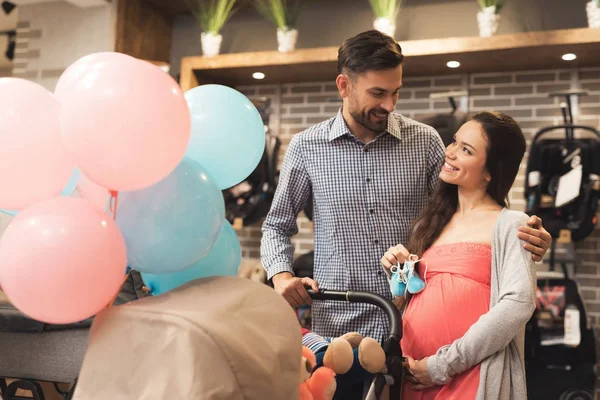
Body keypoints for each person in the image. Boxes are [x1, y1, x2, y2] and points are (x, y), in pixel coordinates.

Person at [260, 29, 550, 343]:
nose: (389, 104)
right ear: (344, 86)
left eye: (395, 92)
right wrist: (282, 276)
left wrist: (512, 235)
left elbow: (467, 203)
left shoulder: (424, 141)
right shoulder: (306, 147)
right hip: (336, 321)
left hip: (414, 318)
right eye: (377, 93)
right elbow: (276, 225)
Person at [381, 111, 536, 399]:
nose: (449, 152)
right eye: (454, 142)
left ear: (491, 170)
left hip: (467, 378)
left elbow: (518, 304)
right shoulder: (430, 223)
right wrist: (396, 267)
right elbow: (409, 297)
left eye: (466, 150)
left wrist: (442, 365)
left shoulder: (511, 224)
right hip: (413, 376)